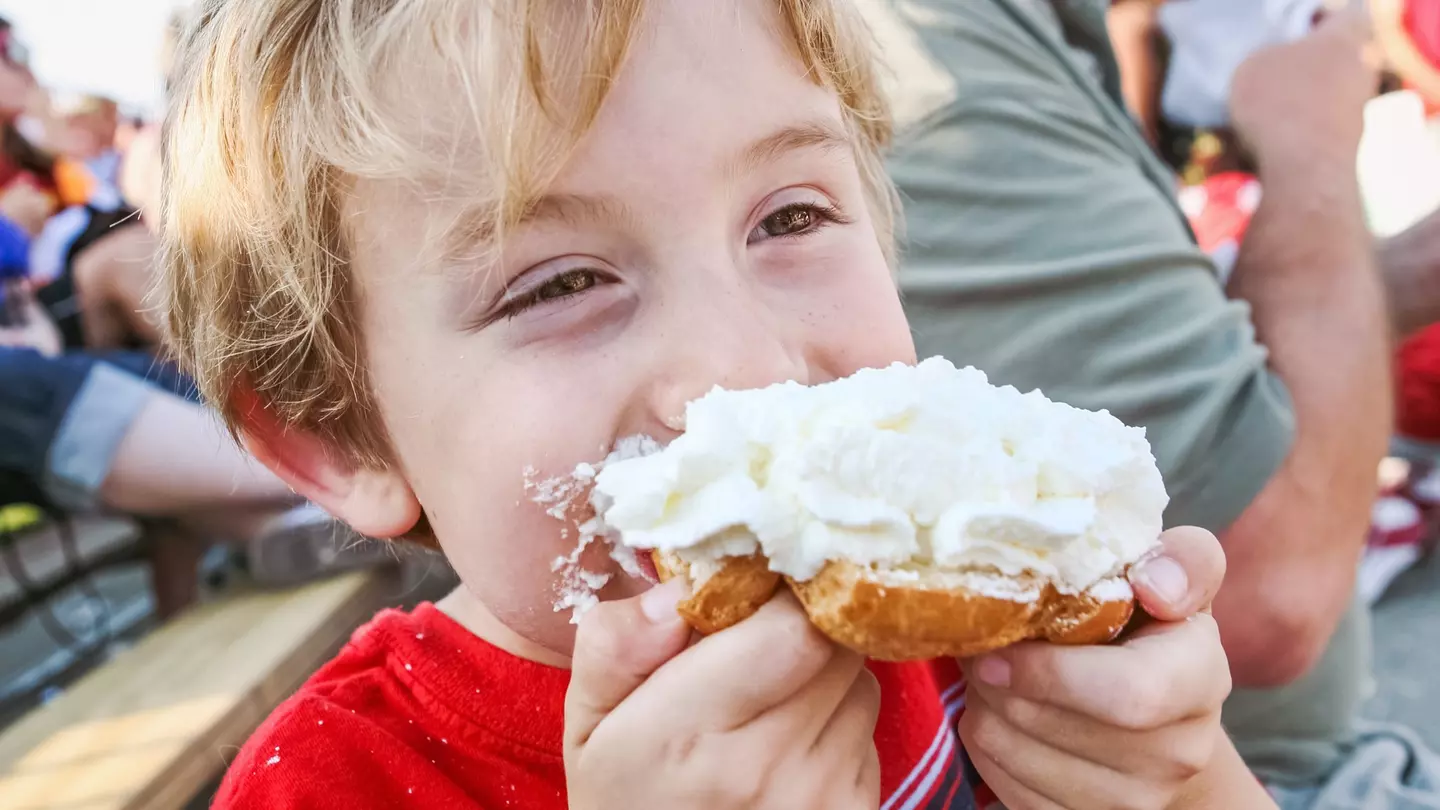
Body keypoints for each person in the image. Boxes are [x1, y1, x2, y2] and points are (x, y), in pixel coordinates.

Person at [159, 0, 1269, 808]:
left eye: (789, 218)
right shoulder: (332, 784)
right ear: (333, 438)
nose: (751, 370)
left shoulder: (942, 605)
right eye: (559, 284)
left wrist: (1178, 780)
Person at [872, 0, 1440, 807]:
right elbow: (1273, 597)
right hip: (1281, 773)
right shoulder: (937, 68)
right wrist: (1309, 144)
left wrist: (1394, 275)